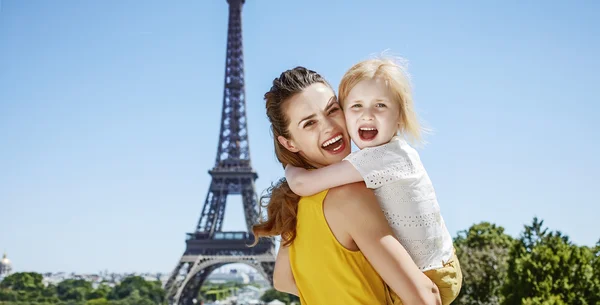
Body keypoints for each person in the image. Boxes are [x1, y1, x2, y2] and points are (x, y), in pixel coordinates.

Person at [252, 66, 441, 305]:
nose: (329, 127)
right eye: (310, 124)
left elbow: (283, 280)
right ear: (289, 143)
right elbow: (426, 297)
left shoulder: (294, 204)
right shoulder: (349, 196)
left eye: (332, 110)